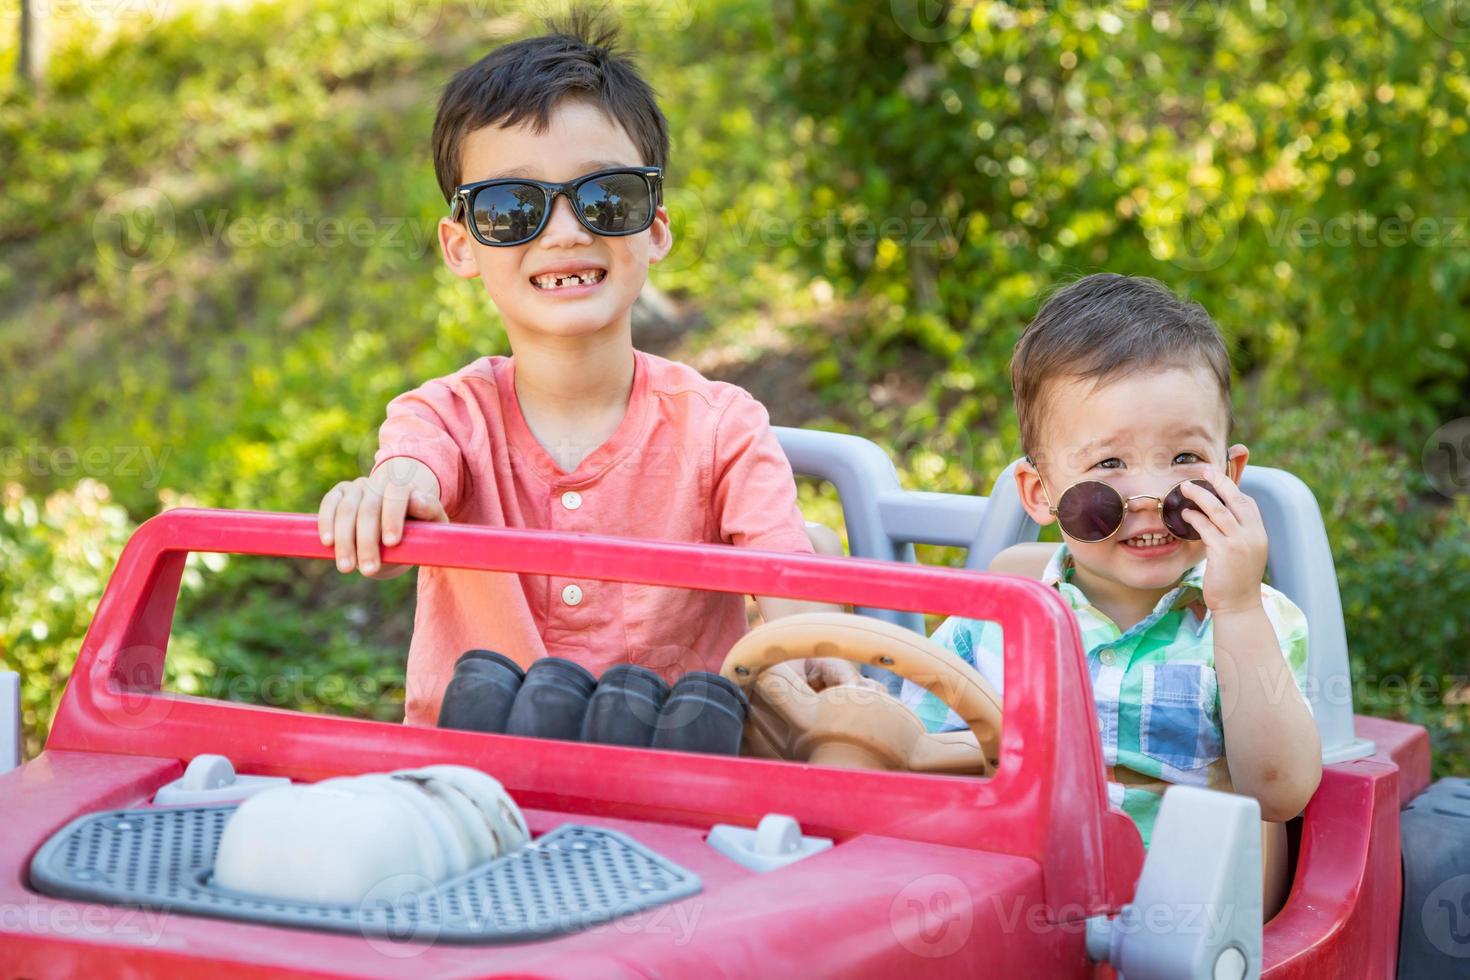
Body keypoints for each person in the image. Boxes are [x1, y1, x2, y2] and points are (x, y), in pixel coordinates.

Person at [317, 16, 859, 726]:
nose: (565, 231)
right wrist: (389, 497)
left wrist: (817, 650)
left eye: (606, 197)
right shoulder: (442, 417)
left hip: (672, 790)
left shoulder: (723, 428)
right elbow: (412, 481)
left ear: (655, 227)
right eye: (513, 208)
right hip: (474, 781)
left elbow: (786, 585)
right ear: (461, 246)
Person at [900, 273, 1321, 847]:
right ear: (1040, 492)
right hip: (1007, 896)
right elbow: (916, 760)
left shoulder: (1255, 622)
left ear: (1230, 475)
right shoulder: (994, 625)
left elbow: (1280, 792)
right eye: (1108, 465)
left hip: (1169, 921)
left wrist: (1239, 606)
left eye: (1184, 457)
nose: (1147, 497)